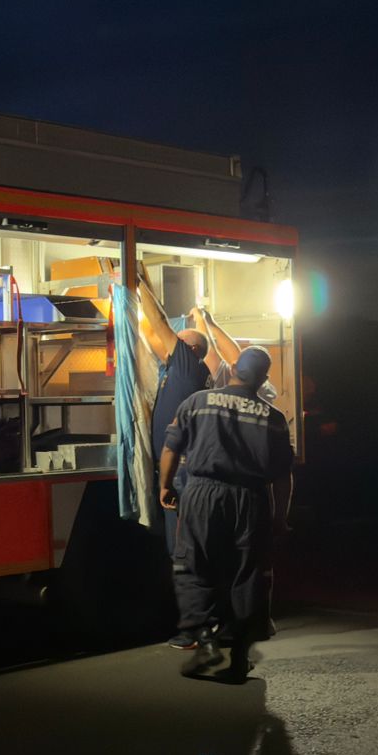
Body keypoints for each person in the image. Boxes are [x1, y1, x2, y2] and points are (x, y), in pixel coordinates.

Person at [160, 346, 294, 683]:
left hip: (203, 494)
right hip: (251, 499)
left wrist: (166, 486)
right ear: (264, 378)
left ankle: (205, 640)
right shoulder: (274, 419)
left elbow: (171, 448)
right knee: (248, 576)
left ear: (233, 367)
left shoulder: (197, 402)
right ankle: (239, 657)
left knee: (194, 566)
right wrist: (279, 518)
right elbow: (282, 476)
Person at [132, 273, 231, 649]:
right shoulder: (185, 372)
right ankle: (210, 621)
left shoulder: (188, 368)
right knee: (189, 551)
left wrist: (137, 279)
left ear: (190, 351)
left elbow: (157, 324)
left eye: (175, 345)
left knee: (185, 553)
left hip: (185, 477)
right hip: (188, 474)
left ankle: (199, 627)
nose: (165, 349)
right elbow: (155, 333)